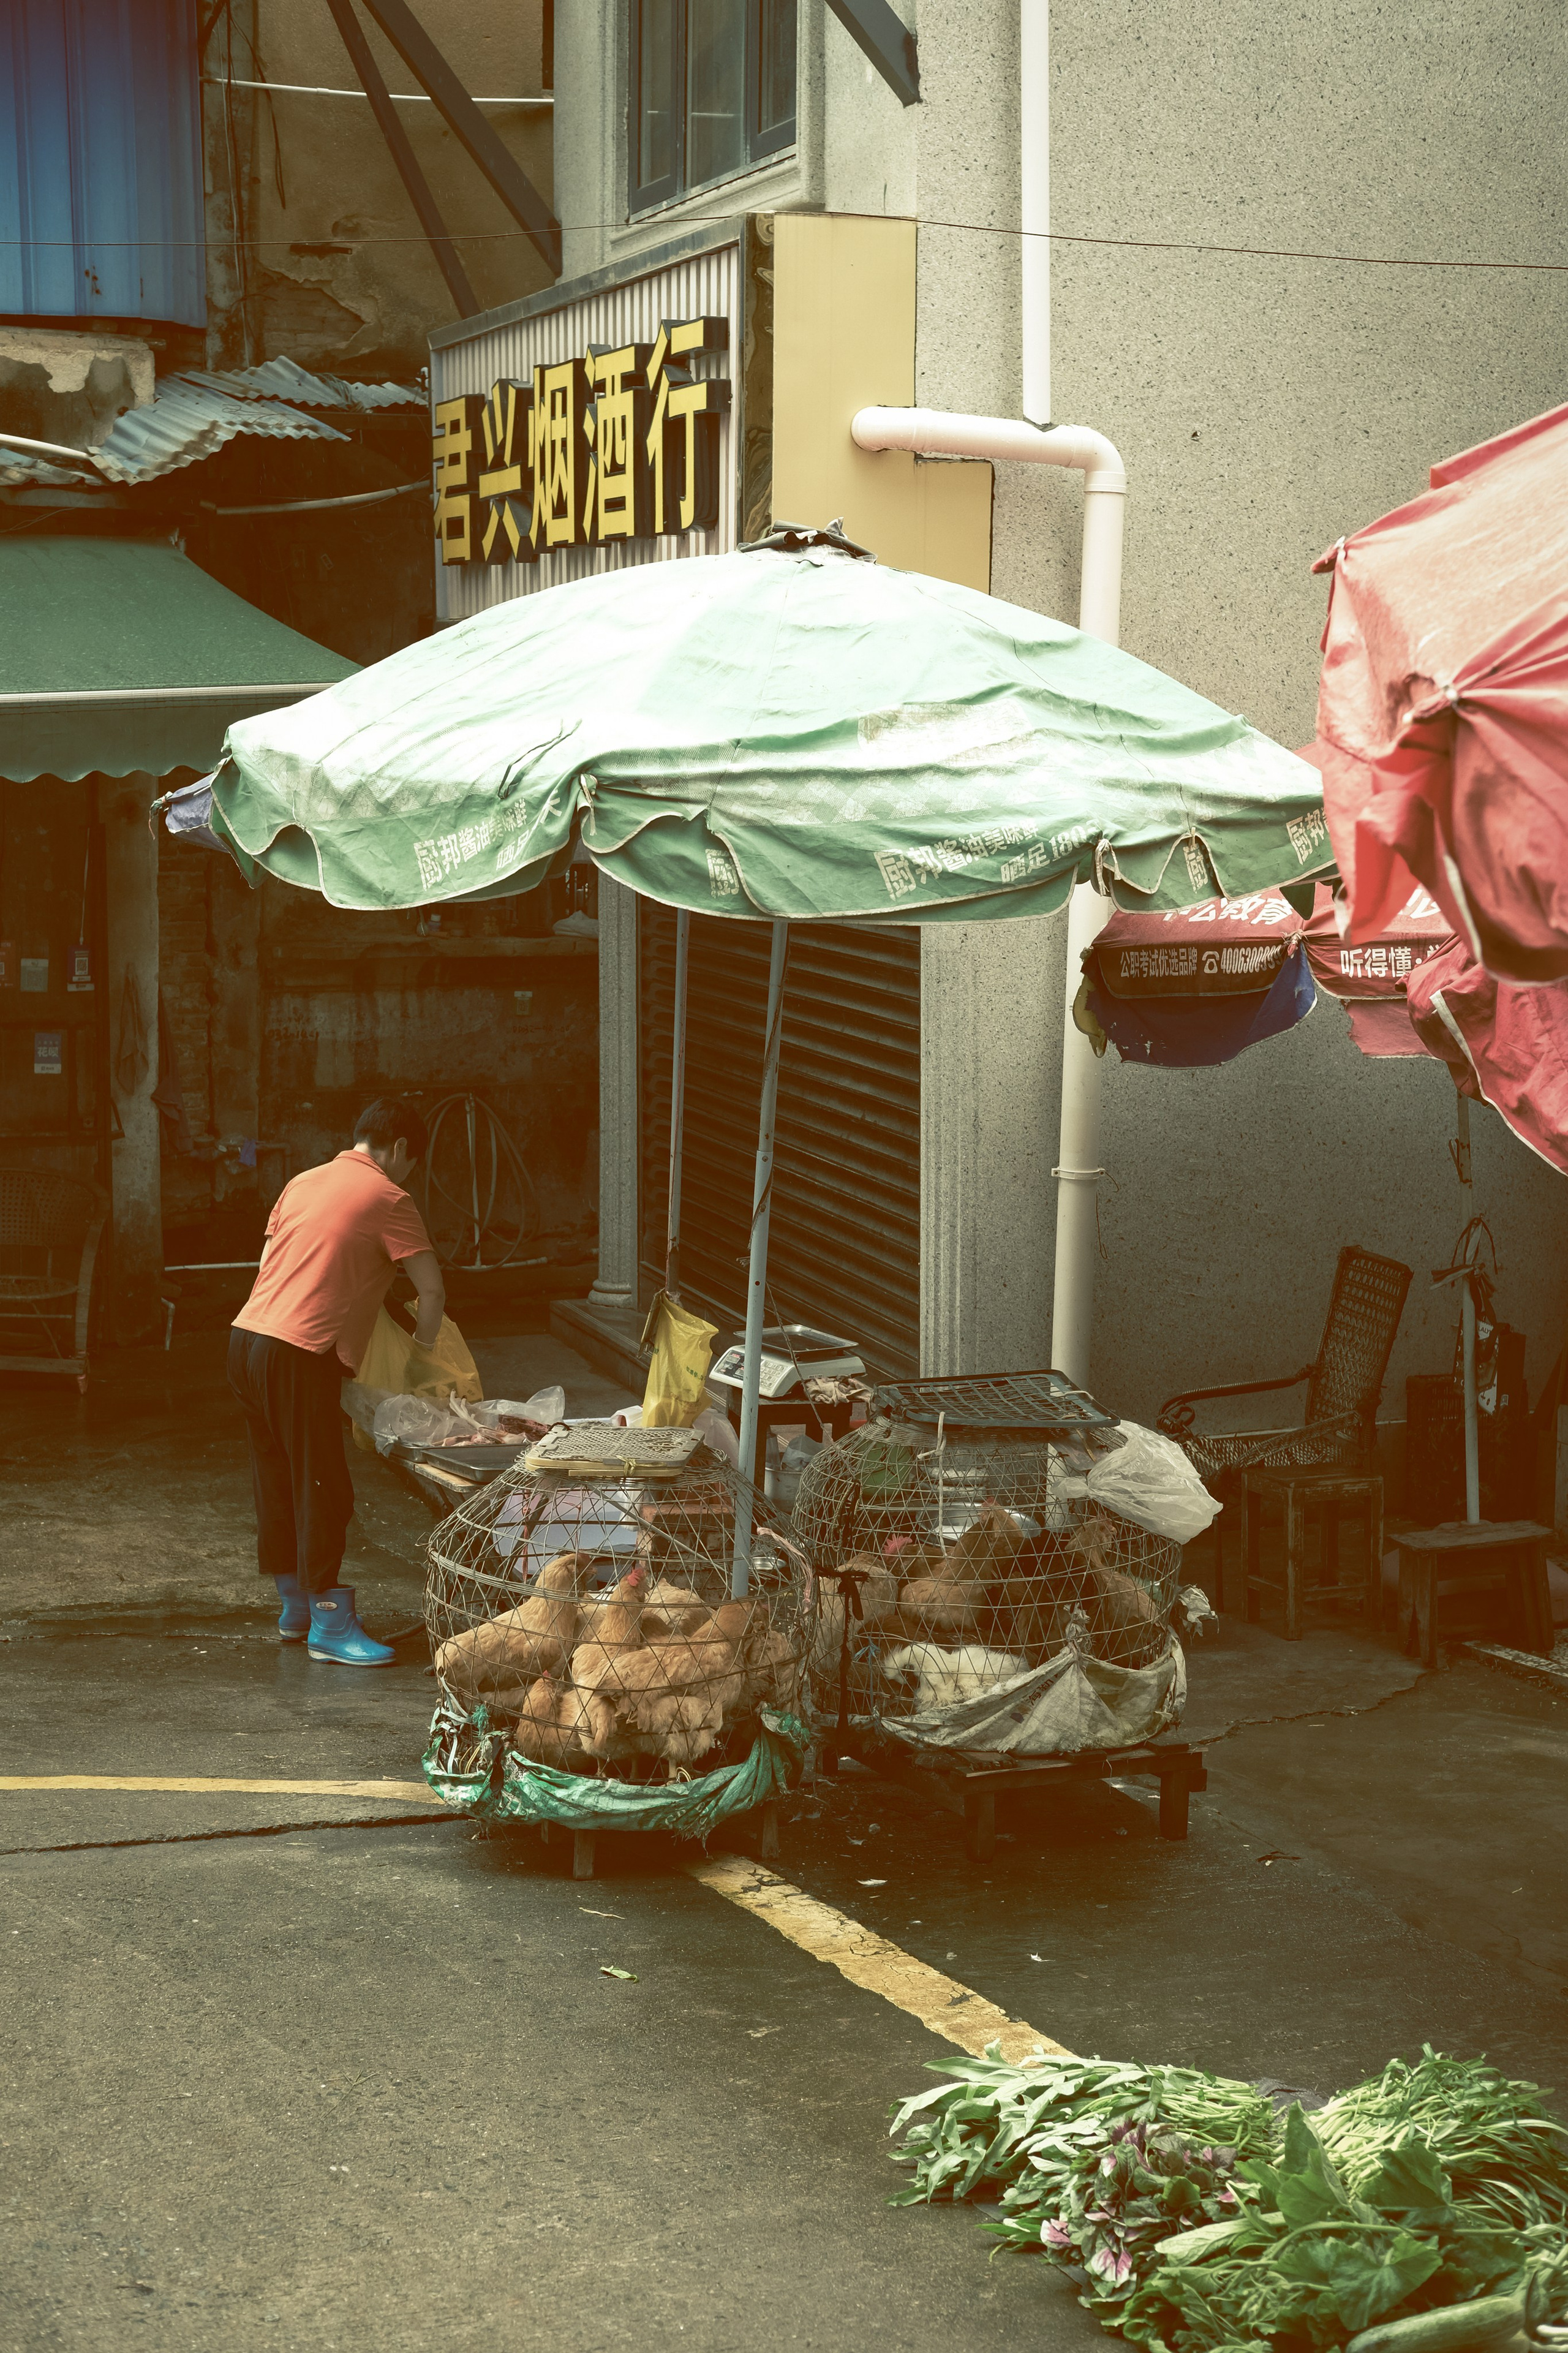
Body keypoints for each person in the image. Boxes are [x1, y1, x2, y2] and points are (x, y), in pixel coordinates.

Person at [228, 1098, 445, 1667]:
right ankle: (330, 1625)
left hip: (246, 1339)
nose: (409, 1174)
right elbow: (433, 1291)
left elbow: (278, 1263)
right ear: (400, 1149)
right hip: (299, 1353)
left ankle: (295, 1607)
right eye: (412, 1162)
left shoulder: (302, 1181)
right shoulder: (390, 1197)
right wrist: (422, 1356)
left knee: (277, 1477)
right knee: (323, 1485)